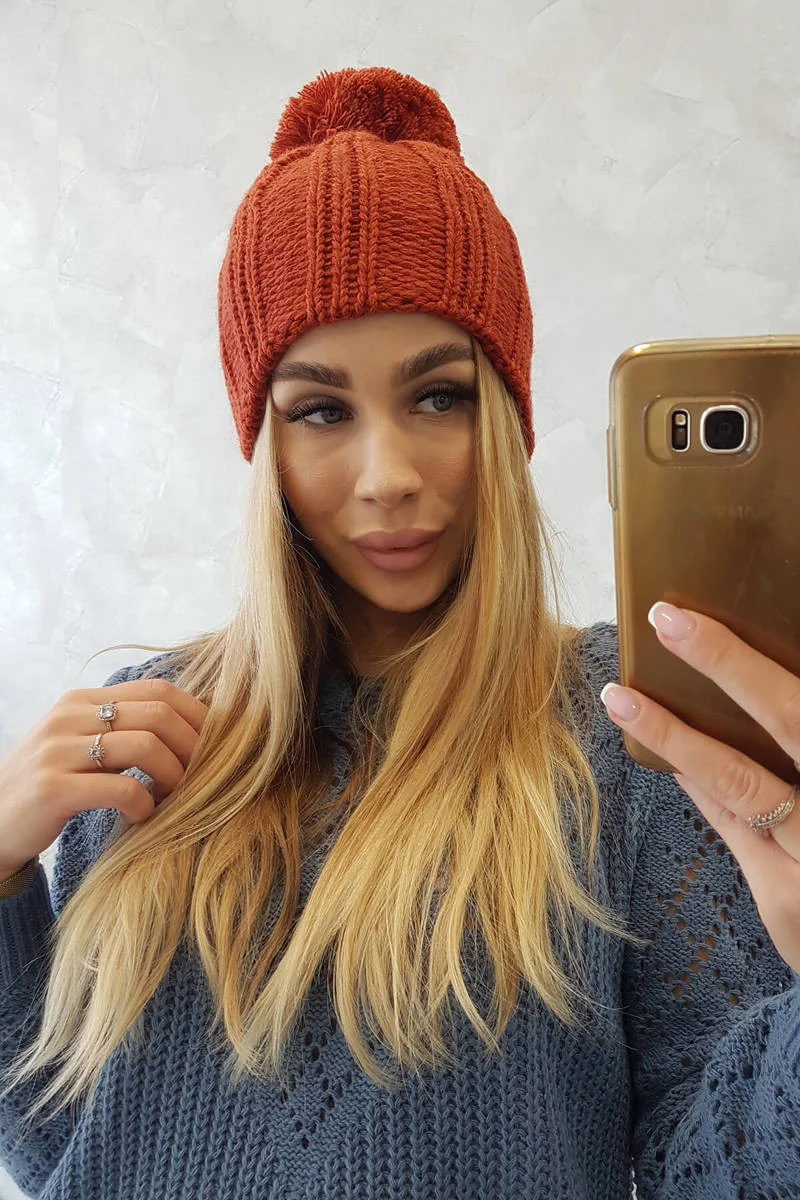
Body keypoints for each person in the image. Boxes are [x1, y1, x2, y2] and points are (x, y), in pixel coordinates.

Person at [1, 67, 798, 1200]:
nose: (387, 476)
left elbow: (706, 1172)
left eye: (439, 397)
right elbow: (64, 1151)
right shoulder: (145, 735)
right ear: (265, 444)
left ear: (506, 415)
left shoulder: (626, 733)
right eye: (321, 410)